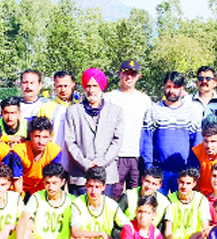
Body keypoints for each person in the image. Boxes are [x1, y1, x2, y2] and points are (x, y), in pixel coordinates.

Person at [141, 71, 203, 194]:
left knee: (180, 206)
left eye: (175, 87)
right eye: (169, 86)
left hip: (183, 171)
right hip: (159, 170)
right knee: (157, 206)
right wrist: (149, 166)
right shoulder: (154, 110)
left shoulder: (191, 112)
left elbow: (196, 141)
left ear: (182, 89)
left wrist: (192, 167)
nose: (171, 91)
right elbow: (146, 140)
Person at [64, 68, 123, 196]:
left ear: (101, 87)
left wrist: (102, 162)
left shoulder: (116, 111)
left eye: (95, 86)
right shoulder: (73, 111)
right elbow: (70, 142)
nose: (91, 90)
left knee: (104, 213)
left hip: (106, 173)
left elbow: (117, 141)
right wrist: (86, 164)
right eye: (88, 86)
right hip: (80, 175)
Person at [103, 60, 153, 200]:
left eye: (133, 73)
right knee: (113, 196)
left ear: (138, 76)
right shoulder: (109, 98)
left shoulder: (144, 100)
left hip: (137, 157)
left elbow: (148, 132)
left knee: (136, 198)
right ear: (119, 74)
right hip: (116, 156)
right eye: (126, 73)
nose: (129, 77)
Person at [25, 163, 78, 239]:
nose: (51, 187)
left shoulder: (72, 201)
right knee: (24, 231)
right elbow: (25, 218)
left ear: (63, 182)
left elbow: (75, 230)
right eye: (47, 183)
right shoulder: (37, 197)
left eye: (54, 183)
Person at [164, 168, 211, 239]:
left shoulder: (201, 200)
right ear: (177, 181)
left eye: (188, 183)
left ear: (194, 184)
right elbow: (168, 229)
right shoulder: (170, 200)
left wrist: (196, 236)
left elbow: (205, 228)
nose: (184, 186)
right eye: (182, 182)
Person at [10, 117, 63, 199]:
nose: (40, 141)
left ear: (50, 137)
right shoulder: (19, 151)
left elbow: (52, 178)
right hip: (22, 187)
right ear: (31, 135)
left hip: (43, 187)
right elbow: (17, 179)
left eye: (45, 137)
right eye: (37, 136)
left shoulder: (55, 151)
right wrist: (18, 201)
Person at [36, 70, 77, 168]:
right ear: (54, 86)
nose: (63, 90)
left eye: (66, 86)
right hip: (52, 159)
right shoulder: (46, 108)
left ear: (73, 85)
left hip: (74, 161)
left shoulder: (78, 107)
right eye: (59, 86)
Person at [188, 121, 217, 196]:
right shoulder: (196, 152)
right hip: (202, 193)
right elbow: (193, 179)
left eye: (213, 141)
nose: (209, 145)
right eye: (206, 141)